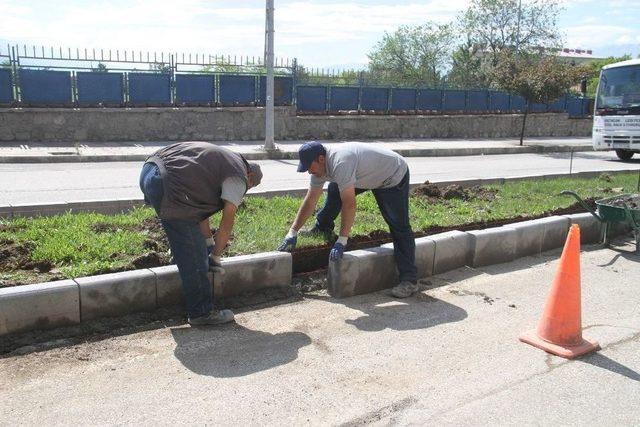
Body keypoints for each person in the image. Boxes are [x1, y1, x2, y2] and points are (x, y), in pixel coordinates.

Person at [139, 141, 262, 325]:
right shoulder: (238, 176)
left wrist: (209, 245)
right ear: (249, 177)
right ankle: (201, 312)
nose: (244, 191)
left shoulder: (223, 161)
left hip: (151, 171)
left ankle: (182, 258)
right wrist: (216, 256)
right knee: (195, 257)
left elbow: (198, 210)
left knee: (190, 241)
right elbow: (227, 222)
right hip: (171, 184)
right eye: (249, 187)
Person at [277, 141, 419, 298]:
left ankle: (409, 280)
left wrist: (342, 240)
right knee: (334, 190)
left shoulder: (341, 162)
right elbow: (311, 200)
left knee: (398, 224)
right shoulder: (318, 169)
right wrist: (293, 231)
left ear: (321, 159)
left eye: (310, 167)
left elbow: (349, 204)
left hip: (391, 175)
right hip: (365, 173)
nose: (309, 172)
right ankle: (322, 227)